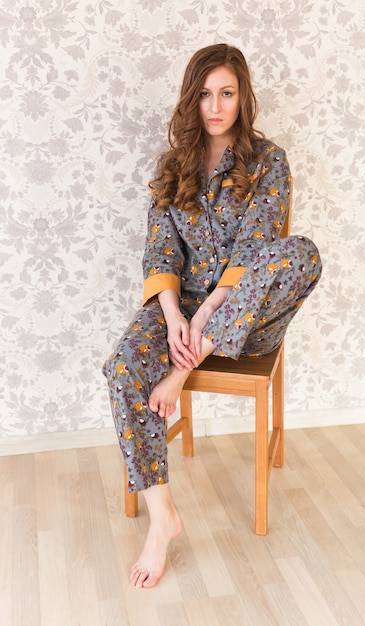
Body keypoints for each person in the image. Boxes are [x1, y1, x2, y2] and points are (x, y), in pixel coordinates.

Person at [103, 43, 322, 588]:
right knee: (124, 365)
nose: (215, 105)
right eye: (204, 94)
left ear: (243, 97)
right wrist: (176, 315)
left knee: (301, 252)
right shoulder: (173, 166)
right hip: (185, 308)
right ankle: (162, 519)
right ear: (191, 99)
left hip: (244, 316)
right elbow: (160, 253)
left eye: (226, 93)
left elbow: (256, 251)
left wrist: (197, 335)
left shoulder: (268, 160)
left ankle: (182, 370)